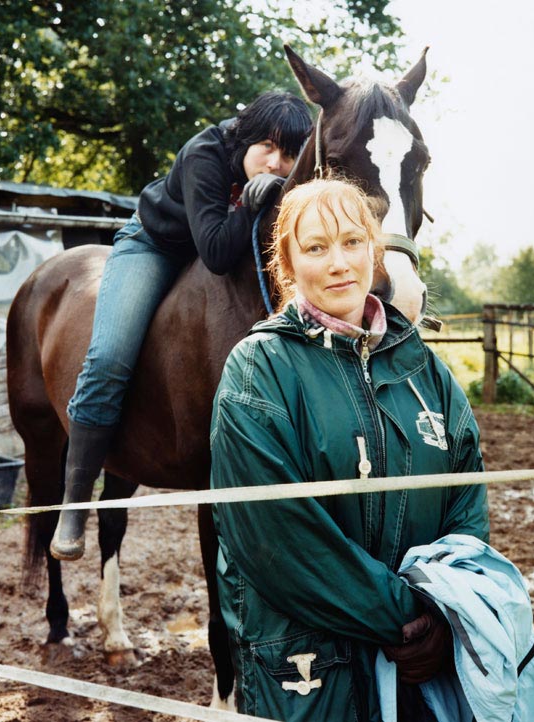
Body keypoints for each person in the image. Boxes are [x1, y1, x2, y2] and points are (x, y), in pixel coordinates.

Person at [209, 178, 490, 721]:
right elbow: (278, 538)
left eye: (352, 242)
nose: (338, 263)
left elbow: (466, 496)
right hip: (312, 675)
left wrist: (444, 612)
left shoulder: (424, 369)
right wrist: (407, 619)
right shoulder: (258, 370)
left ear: (374, 251)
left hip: (421, 670)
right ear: (286, 264)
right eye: (315, 248)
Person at [50, 91, 313, 561]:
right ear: (245, 137)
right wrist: (252, 206)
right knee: (109, 356)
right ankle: (75, 500)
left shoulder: (283, 175)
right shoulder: (204, 154)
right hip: (157, 247)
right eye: (267, 148)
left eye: (289, 154)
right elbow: (214, 251)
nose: (277, 163)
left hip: (217, 247)